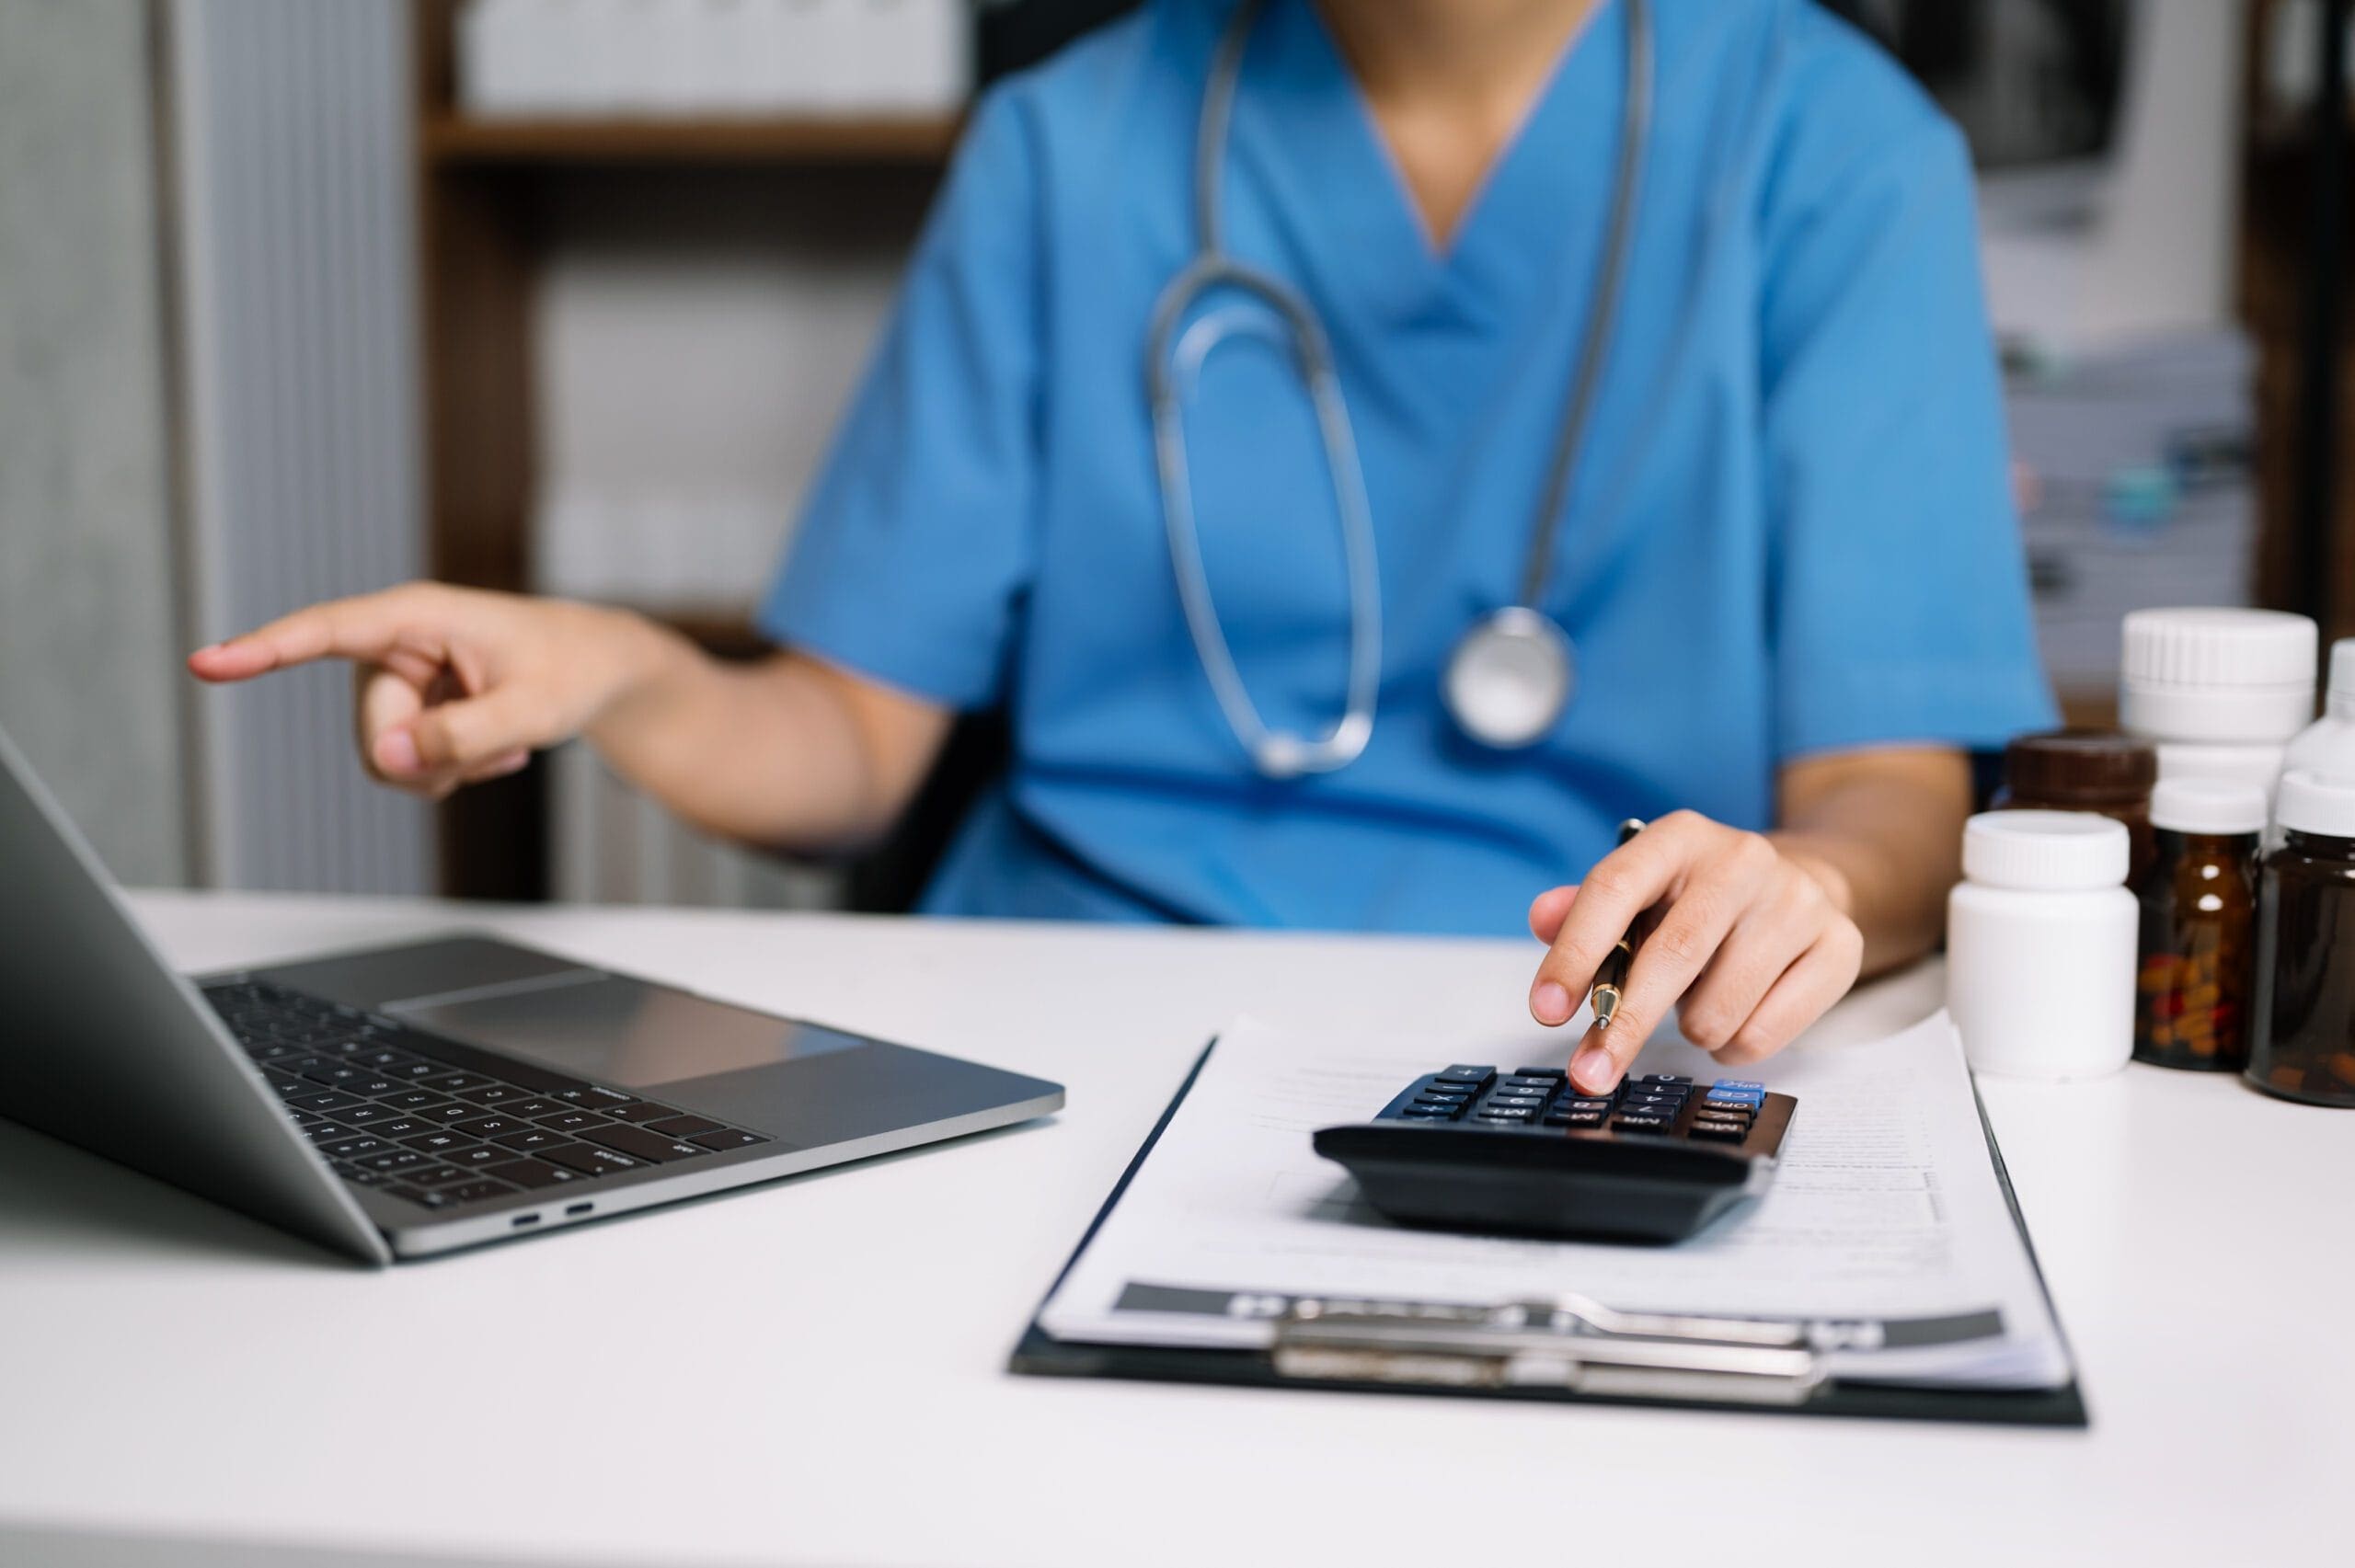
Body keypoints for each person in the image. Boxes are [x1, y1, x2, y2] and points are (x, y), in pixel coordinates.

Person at [190, 0, 2054, 1097]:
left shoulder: (1829, 148)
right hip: (1060, 1019)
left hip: (1565, 1043)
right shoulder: (1064, 146)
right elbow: (845, 748)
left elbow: (1888, 790)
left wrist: (1801, 885)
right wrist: (626, 672)